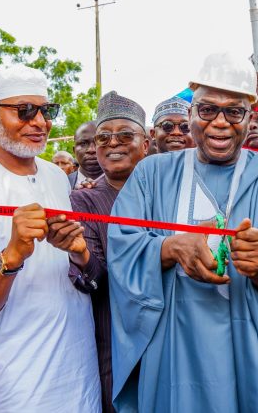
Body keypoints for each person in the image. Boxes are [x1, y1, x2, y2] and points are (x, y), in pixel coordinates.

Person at [108, 52, 258, 413]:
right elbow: (122, 248)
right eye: (207, 110)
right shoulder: (152, 174)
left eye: (234, 112)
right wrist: (169, 247)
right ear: (190, 113)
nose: (220, 123)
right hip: (174, 345)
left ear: (249, 116)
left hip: (251, 342)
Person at [0, 64, 101, 412]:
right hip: (20, 377)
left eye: (46, 111)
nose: (39, 122)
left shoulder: (55, 177)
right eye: (24, 111)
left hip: (79, 366)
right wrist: (13, 255)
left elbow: (73, 267)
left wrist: (77, 251)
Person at [69, 91, 149, 413]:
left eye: (125, 135)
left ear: (146, 141)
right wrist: (80, 254)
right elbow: (96, 279)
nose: (113, 143)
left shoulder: (166, 191)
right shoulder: (85, 201)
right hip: (115, 339)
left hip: (171, 335)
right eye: (104, 137)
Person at [72, 121, 103, 188]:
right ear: (74, 151)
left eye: (98, 142)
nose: (91, 150)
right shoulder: (61, 183)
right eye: (83, 143)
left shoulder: (126, 183)